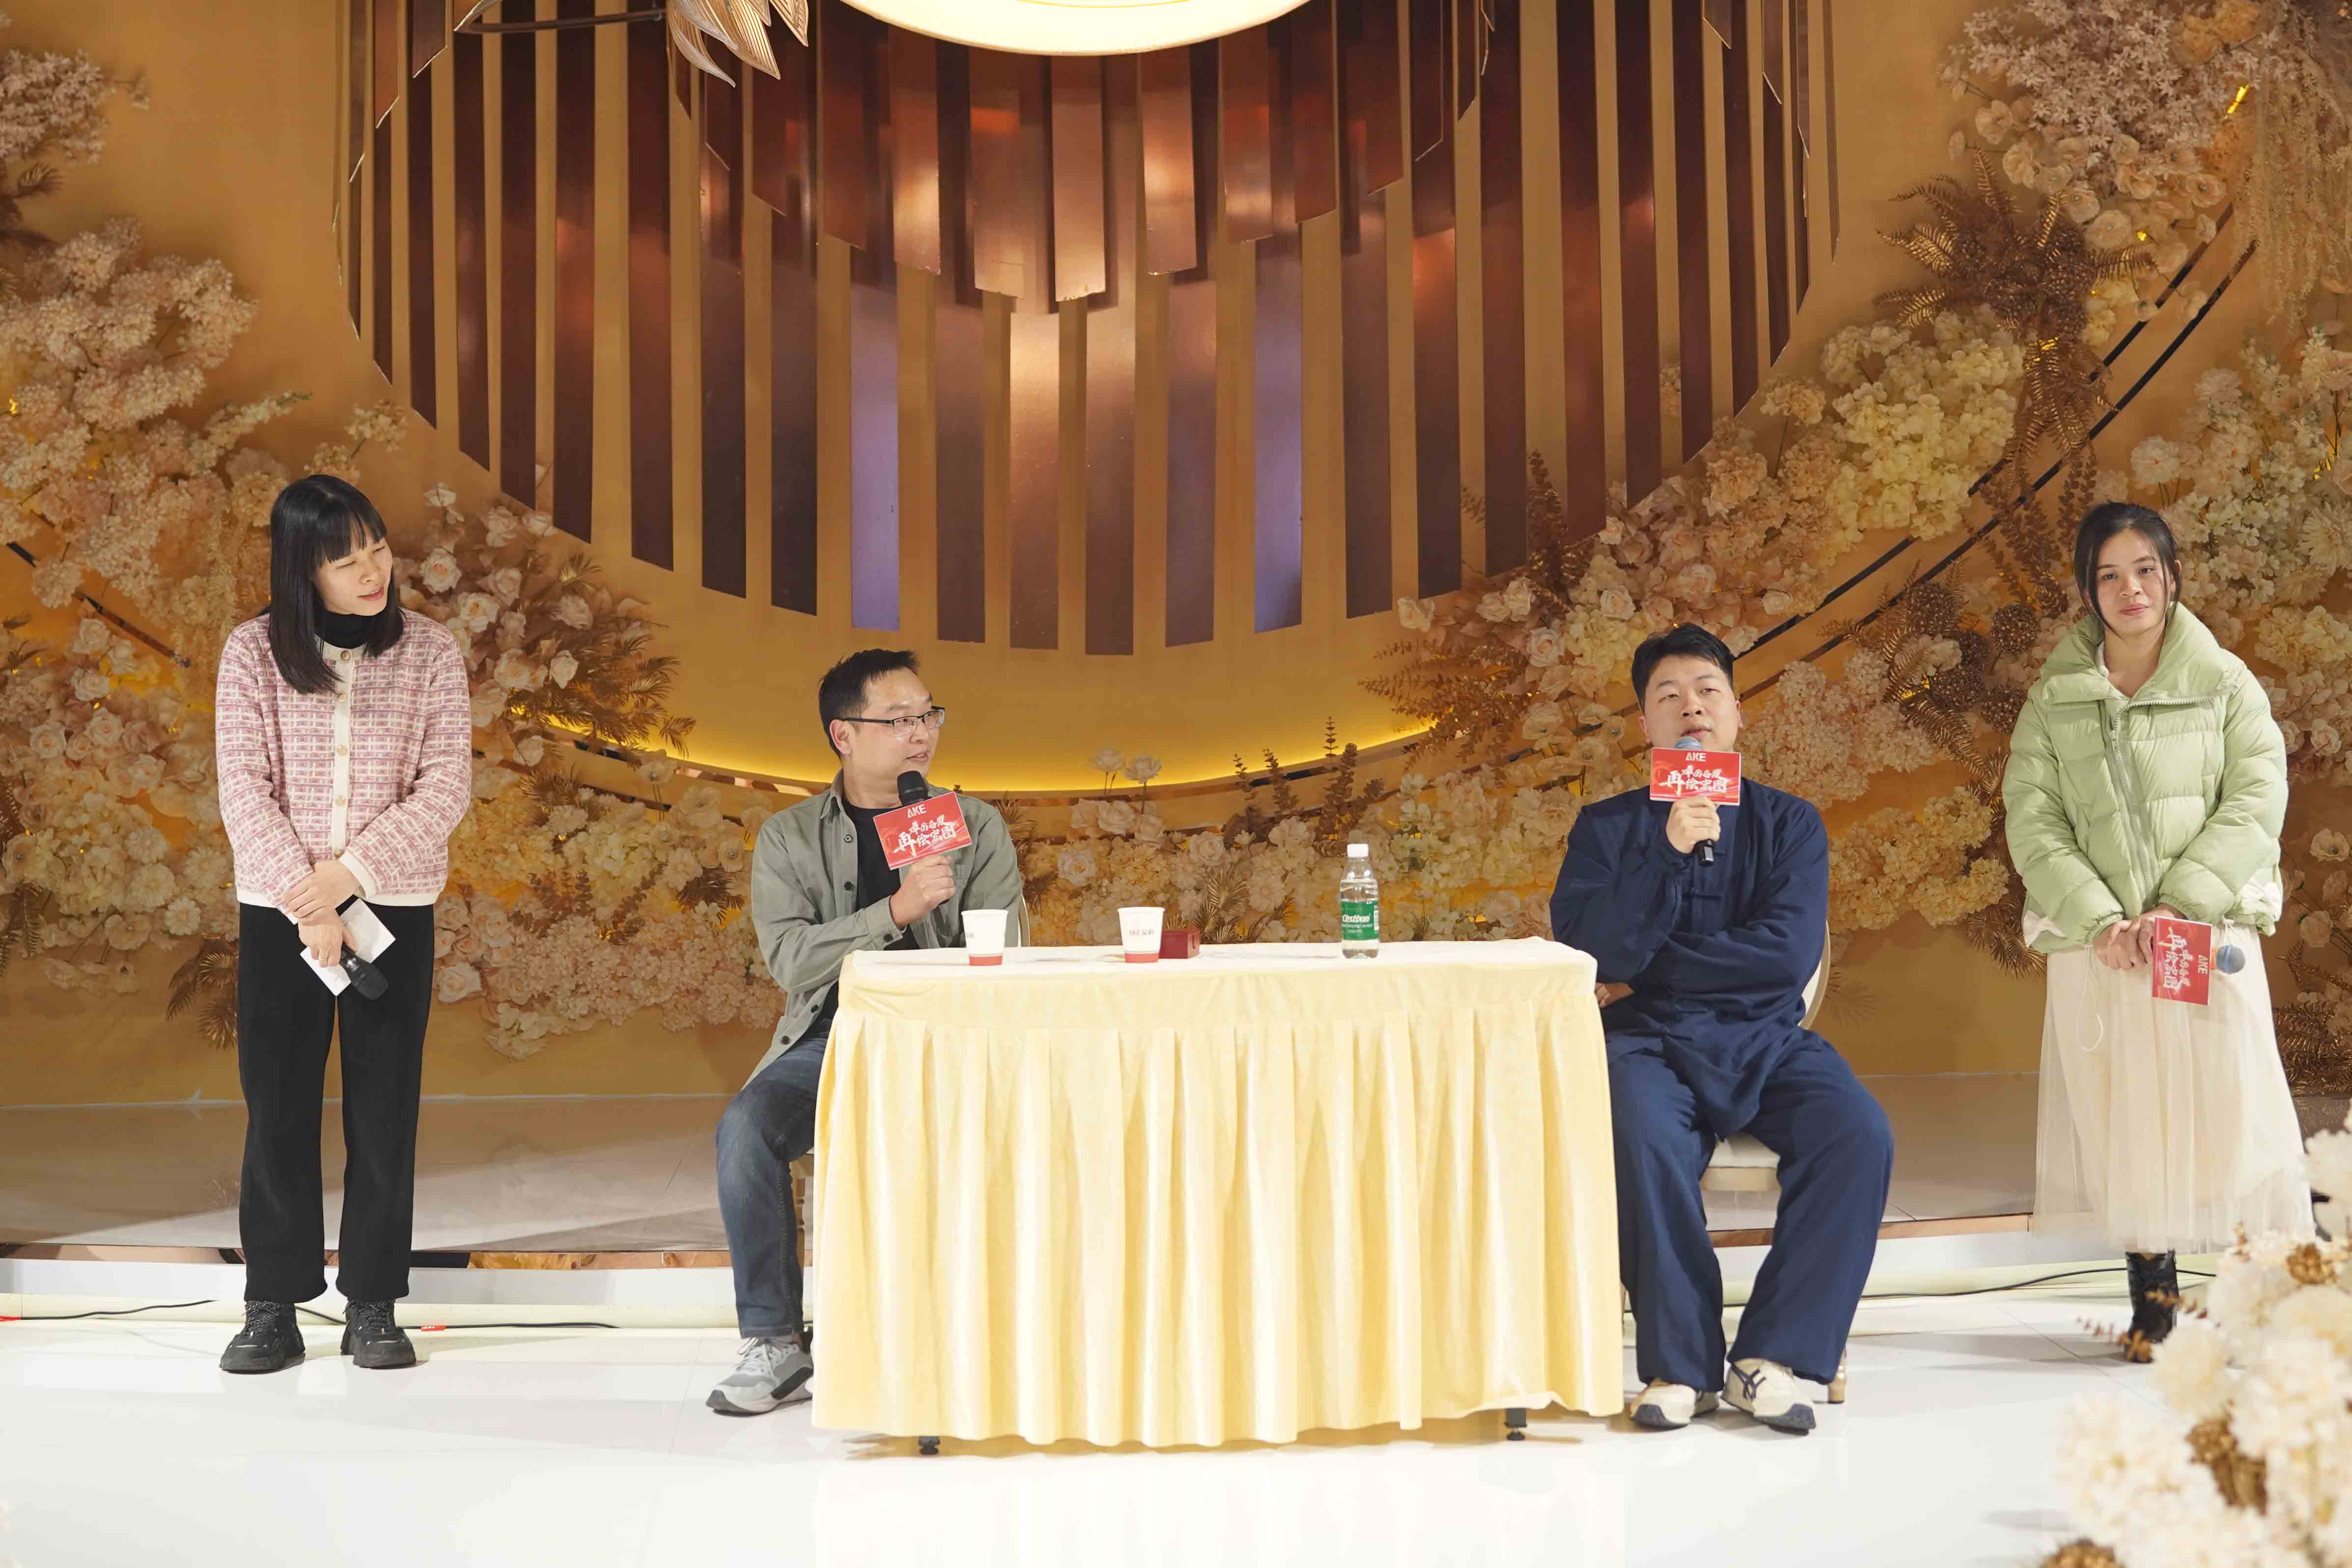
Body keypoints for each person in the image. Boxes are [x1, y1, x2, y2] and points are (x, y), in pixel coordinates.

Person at [1549, 624, 1893, 1435]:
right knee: (1637, 1135)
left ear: (1738, 714)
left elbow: (1782, 959)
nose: (1691, 709)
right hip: (1645, 1040)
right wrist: (1666, 853)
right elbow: (1590, 950)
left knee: (1858, 1133)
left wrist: (1646, 965)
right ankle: (1682, 1366)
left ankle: (1773, 1356)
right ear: (1646, 726)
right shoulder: (1606, 828)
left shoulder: (1791, 824)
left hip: (1763, 1035)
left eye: (1708, 692)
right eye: (1668, 697)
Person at [2004, 502, 2312, 1361]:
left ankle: (2262, 1299)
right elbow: (2033, 819)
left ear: (2173, 577)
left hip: (2201, 935)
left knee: (2235, 1114)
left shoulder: (2226, 684)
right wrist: (2100, 919)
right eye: (2109, 574)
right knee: (2128, 1121)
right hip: (2107, 951)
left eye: (2145, 569)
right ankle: (2156, 1300)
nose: (2130, 588)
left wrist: (2178, 905)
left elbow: (2257, 798)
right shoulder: (2054, 700)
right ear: (2088, 592)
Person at [707, 649, 1030, 1415]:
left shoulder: (973, 826)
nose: (921, 734)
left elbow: (1008, 954)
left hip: (953, 1042)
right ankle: (775, 1342)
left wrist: (947, 912)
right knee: (747, 1129)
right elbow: (791, 961)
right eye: (898, 720)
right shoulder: (788, 838)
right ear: (843, 735)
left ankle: (987, 1337)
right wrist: (894, 912)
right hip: (837, 1039)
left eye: (928, 716)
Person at [212, 475, 472, 1373]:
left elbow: (445, 786)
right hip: (280, 914)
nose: (373, 571)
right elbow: (243, 791)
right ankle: (272, 1303)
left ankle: (373, 1302)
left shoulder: (432, 652)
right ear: (303, 571)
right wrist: (307, 898)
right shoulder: (252, 654)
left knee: (385, 1109)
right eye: (346, 559)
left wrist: (347, 880)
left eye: (378, 549)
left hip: (390, 907)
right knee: (277, 1108)